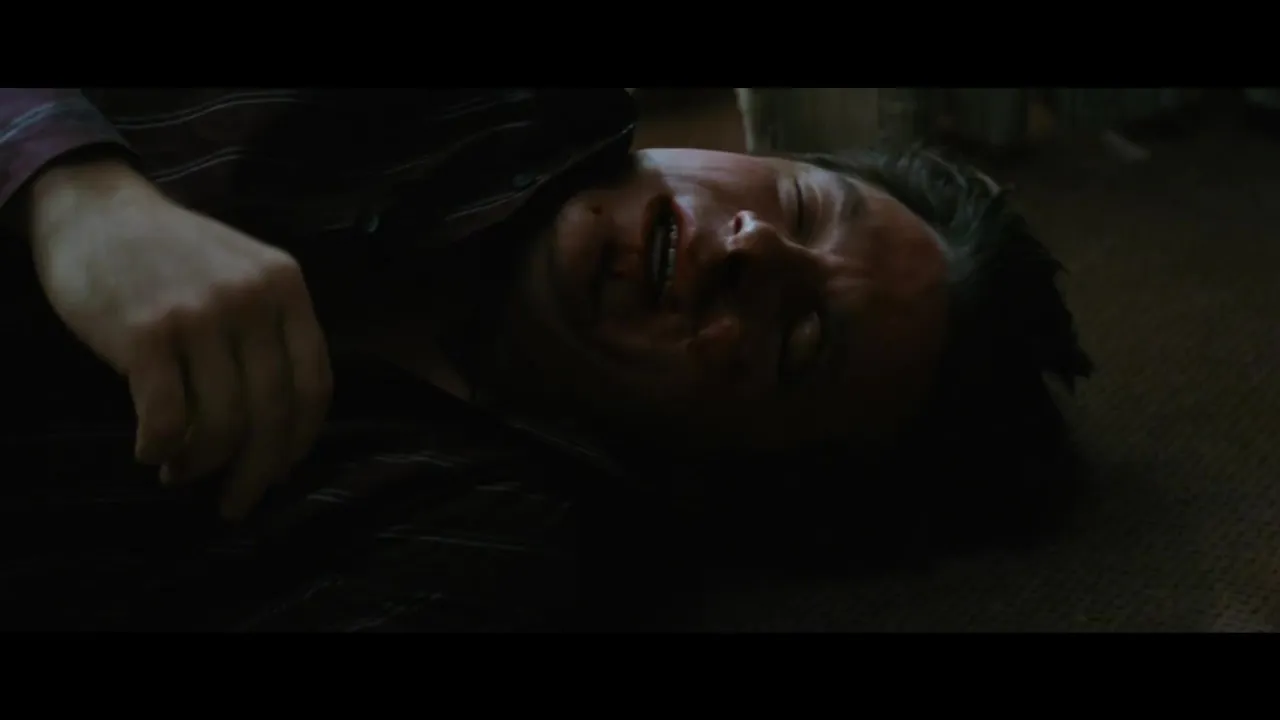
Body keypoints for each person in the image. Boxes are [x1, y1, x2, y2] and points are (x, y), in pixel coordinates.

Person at [0, 88, 1091, 630]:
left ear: (730, 471)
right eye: (802, 203)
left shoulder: (481, 557)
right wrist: (74, 192)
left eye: (800, 341)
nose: (755, 248)